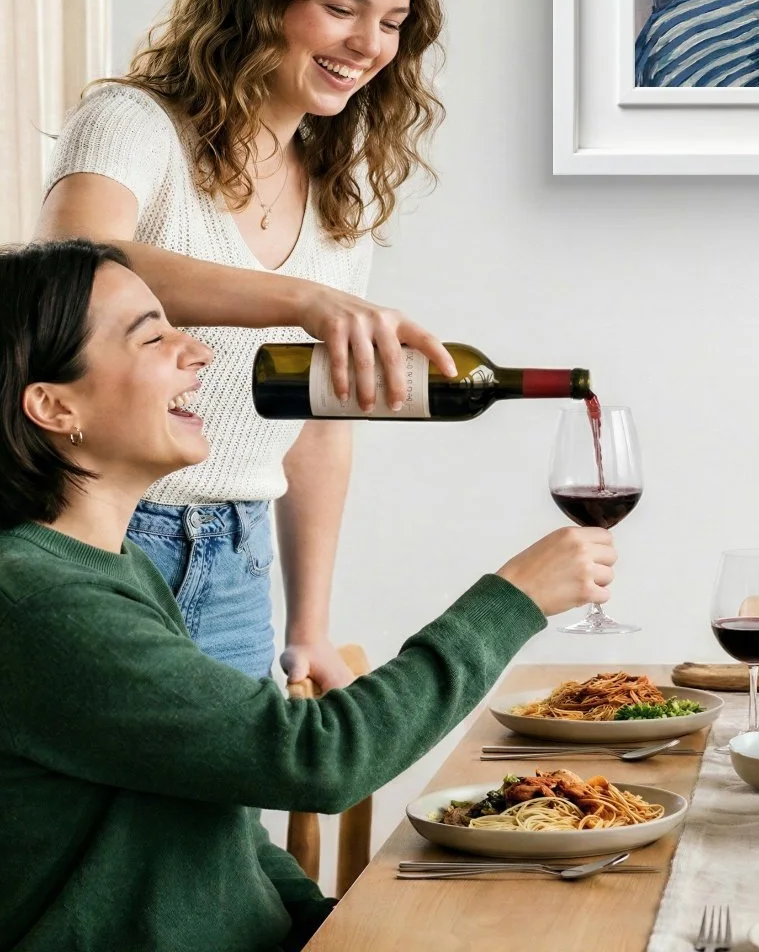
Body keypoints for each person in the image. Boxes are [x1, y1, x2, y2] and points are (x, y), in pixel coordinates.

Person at [0, 239, 614, 952]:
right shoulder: (36, 599)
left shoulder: (118, 565)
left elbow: (217, 814)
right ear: (52, 405)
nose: (196, 351)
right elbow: (318, 758)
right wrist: (513, 600)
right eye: (153, 335)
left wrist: (318, 921)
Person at [36, 0, 456, 689]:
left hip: (237, 560)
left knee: (228, 821)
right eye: (341, 8)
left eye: (394, 23)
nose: (369, 44)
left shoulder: (344, 193)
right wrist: (301, 299)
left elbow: (322, 421)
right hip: (96, 539)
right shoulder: (135, 123)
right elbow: (76, 259)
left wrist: (310, 625)